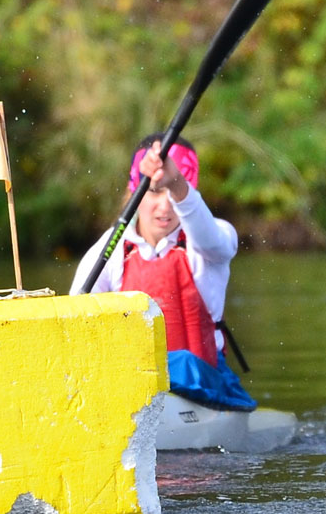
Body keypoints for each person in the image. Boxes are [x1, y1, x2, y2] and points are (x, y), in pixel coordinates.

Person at [71, 134, 256, 411]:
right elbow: (77, 319)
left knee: (179, 363)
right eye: (155, 191)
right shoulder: (112, 246)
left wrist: (175, 183)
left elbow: (211, 240)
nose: (165, 206)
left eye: (174, 192)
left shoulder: (214, 236)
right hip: (132, 386)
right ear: (133, 192)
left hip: (204, 385)